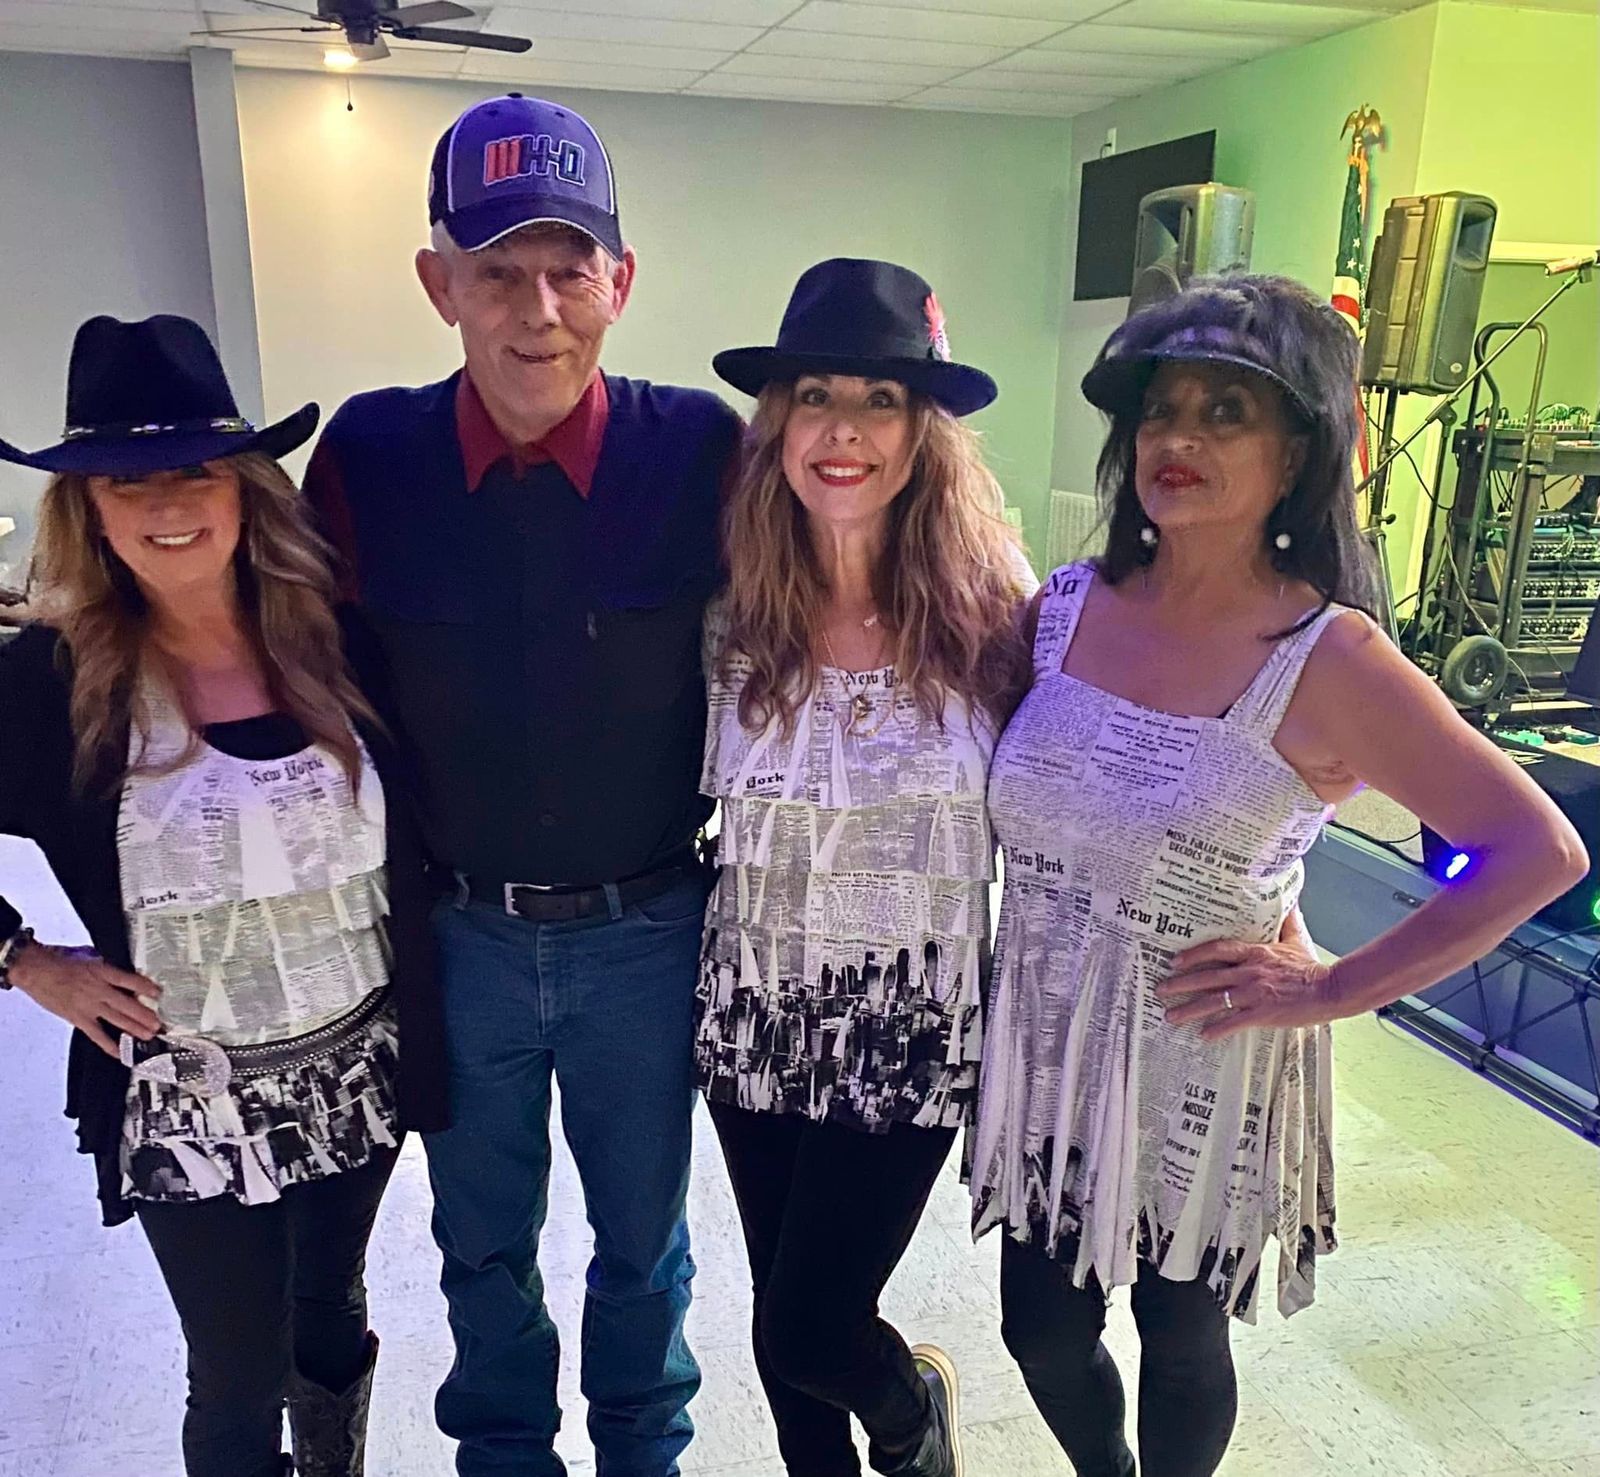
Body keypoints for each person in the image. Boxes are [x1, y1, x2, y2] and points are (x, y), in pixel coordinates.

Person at [968, 274, 1590, 1477]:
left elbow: (1537, 851)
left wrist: (1335, 988)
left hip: (1208, 1045)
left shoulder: (1328, 657)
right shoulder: (1063, 607)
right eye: (1161, 409)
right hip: (1047, 1036)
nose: (1180, 437)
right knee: (1038, 1329)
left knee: (1178, 1334)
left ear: (1297, 451)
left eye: (1226, 412)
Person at [300, 93, 741, 1477]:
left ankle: (642, 1451)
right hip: (459, 938)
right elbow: (286, 667)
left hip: (648, 931)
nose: (537, 310)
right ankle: (502, 1452)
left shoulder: (700, 452)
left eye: (568, 268)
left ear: (621, 281)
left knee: (642, 1238)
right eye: (497, 271)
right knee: (479, 1238)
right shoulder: (368, 460)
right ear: (440, 285)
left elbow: (841, 604)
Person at [0, 314, 447, 1477]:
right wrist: (23, 960)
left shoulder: (341, 643)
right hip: (183, 1089)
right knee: (236, 1371)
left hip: (358, 1060)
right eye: (126, 481)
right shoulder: (50, 681)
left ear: (247, 489)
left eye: (195, 471)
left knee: (328, 1312)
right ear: (89, 509)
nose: (166, 504)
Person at [699, 258, 1035, 1477]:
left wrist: (1269, 888)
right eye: (815, 396)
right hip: (753, 1004)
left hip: (911, 1019)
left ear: (921, 431)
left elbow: (1091, 785)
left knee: (811, 1321)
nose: (843, 429)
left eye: (880, 399)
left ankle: (908, 1412)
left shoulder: (1001, 616)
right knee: (775, 1316)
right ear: (777, 424)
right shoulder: (730, 610)